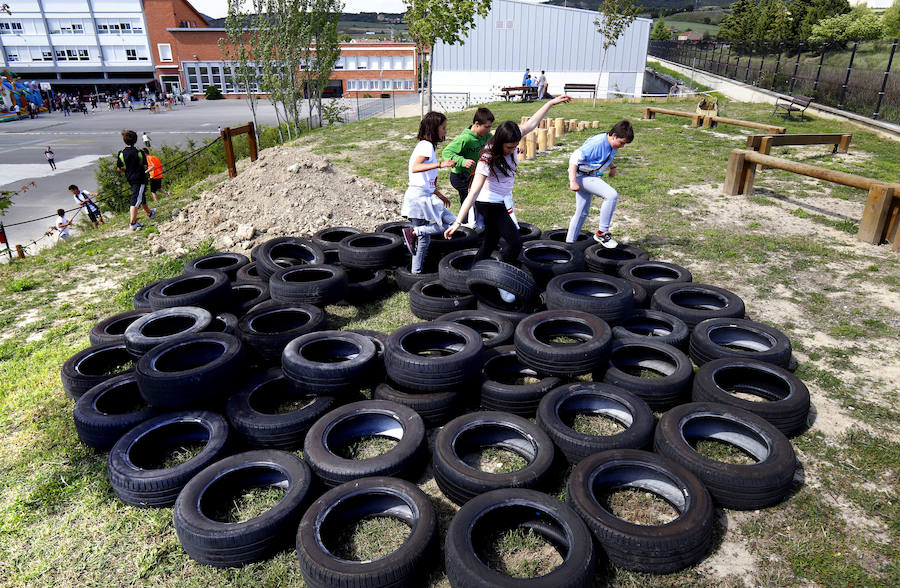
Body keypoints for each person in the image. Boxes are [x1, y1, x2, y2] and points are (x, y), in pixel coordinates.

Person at [446, 95, 572, 301]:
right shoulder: (487, 156)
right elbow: (474, 192)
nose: (514, 150)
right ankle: (501, 281)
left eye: (515, 146)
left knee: (490, 241)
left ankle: (474, 277)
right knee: (514, 242)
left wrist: (551, 103)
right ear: (499, 143)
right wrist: (458, 221)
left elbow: (532, 122)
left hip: (501, 199)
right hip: (488, 202)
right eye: (509, 148)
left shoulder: (511, 138)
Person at [399, 111, 456, 274]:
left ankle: (416, 272)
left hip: (423, 196)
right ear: (434, 128)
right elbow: (416, 168)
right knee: (452, 223)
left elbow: (424, 180)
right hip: (418, 198)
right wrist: (441, 164)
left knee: (424, 240)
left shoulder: (426, 146)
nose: (445, 132)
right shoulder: (426, 146)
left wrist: (439, 194)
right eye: (443, 128)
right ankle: (416, 233)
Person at [565, 120, 634, 249]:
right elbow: (574, 158)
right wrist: (573, 181)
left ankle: (569, 246)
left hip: (589, 174)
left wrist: (612, 167)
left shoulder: (611, 143)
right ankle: (602, 233)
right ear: (614, 136)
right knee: (611, 195)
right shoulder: (597, 143)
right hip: (582, 176)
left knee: (582, 213)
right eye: (622, 143)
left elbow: (603, 157)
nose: (622, 146)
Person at [442, 107, 494, 211]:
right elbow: (446, 152)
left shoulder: (486, 136)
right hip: (460, 177)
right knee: (472, 199)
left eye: (490, 127)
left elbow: (498, 143)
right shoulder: (465, 138)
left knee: (472, 200)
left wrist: (514, 148)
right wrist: (462, 161)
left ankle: (469, 222)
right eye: (486, 127)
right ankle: (466, 223)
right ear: (476, 123)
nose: (488, 130)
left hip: (472, 175)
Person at [116, 129, 156, 231]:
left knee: (140, 196)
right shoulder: (139, 152)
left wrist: (127, 170)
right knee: (136, 200)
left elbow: (119, 168)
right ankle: (133, 223)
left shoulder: (121, 153)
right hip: (140, 178)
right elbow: (144, 165)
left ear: (124, 140)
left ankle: (149, 213)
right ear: (135, 140)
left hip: (130, 178)